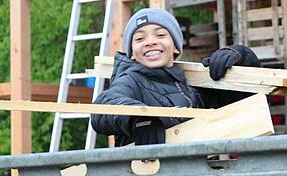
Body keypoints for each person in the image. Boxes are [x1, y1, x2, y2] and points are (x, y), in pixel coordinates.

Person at [90, 8, 260, 146]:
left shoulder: (192, 86)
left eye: (160, 35)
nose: (150, 42)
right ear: (132, 53)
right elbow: (104, 108)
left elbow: (244, 104)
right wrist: (139, 119)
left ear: (176, 47)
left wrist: (242, 57)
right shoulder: (131, 80)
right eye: (140, 38)